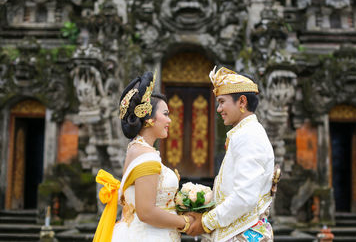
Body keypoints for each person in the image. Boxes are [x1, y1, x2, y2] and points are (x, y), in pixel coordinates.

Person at [93, 71, 194, 242]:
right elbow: (146, 212)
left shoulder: (136, 149)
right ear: (148, 117)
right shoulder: (146, 156)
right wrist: (186, 223)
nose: (169, 121)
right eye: (165, 114)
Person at [186, 66, 275, 242]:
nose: (219, 109)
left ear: (242, 102)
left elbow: (244, 197)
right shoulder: (244, 133)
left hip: (242, 233)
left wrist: (206, 222)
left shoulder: (249, 135)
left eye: (221, 102)